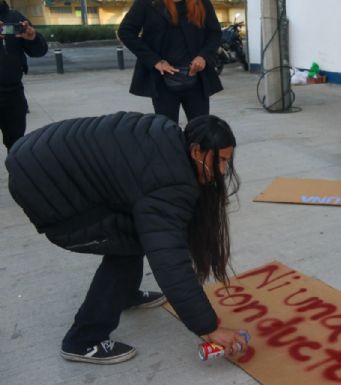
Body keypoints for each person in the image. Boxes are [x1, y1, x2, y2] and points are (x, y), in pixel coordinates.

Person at [5, 112, 248, 364]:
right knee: (128, 246)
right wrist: (209, 327)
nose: (221, 170)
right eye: (218, 160)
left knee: (135, 229)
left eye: (226, 162)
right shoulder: (169, 182)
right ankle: (83, 340)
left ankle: (124, 293)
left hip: (37, 154)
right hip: (43, 186)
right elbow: (169, 260)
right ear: (197, 151)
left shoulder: (171, 139)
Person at [118, 0, 223, 123]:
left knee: (201, 129)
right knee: (166, 131)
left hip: (197, 78)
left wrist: (203, 56)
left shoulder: (201, 2)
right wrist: (155, 61)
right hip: (162, 80)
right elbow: (125, 31)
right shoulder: (146, 3)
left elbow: (214, 33)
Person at [0, 0, 47, 151]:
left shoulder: (14, 18)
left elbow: (39, 51)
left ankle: (16, 174)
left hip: (12, 95)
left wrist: (33, 38)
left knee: (16, 146)